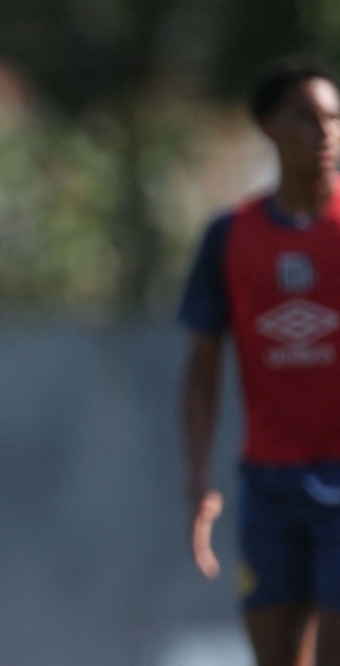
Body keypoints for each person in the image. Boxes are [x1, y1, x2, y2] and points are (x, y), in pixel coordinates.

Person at [179, 56, 340, 666]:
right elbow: (200, 364)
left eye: (333, 119)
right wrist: (198, 478)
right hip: (269, 485)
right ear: (271, 127)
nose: (324, 133)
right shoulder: (230, 236)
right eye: (306, 118)